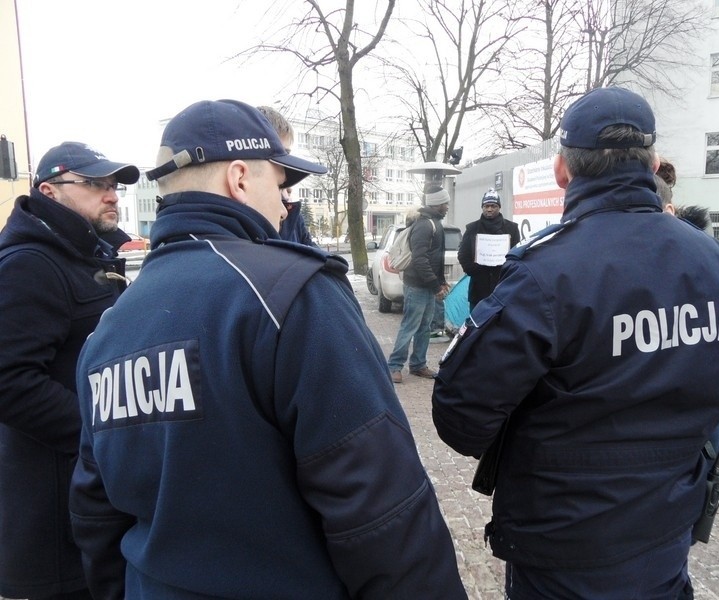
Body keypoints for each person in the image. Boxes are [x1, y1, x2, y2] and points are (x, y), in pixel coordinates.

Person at [68, 99, 466, 600]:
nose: (284, 206)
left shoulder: (110, 328)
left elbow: (95, 511)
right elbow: (379, 506)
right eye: (280, 186)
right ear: (239, 177)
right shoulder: (290, 295)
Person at [432, 87, 719, 599]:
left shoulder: (545, 273)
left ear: (563, 171)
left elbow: (459, 415)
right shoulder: (714, 261)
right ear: (651, 162)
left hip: (566, 545)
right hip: (668, 527)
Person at [0, 141, 139, 600]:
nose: (112, 195)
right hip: (49, 526)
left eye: (114, 185)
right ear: (49, 191)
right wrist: (102, 434)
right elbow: (9, 382)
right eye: (96, 184)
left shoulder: (85, 256)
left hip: (87, 508)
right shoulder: (28, 264)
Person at [386, 185, 451, 383]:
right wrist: (435, 285)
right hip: (416, 285)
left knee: (424, 328)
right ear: (437, 203)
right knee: (410, 326)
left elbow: (434, 258)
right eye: (445, 203)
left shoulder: (434, 223)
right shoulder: (424, 225)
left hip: (426, 285)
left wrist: (441, 281)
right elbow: (420, 260)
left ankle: (418, 365)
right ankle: (394, 366)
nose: (447, 206)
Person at [257, 105, 317, 246]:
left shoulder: (291, 212)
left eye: (286, 155)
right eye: (276, 156)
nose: (285, 165)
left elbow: (318, 256)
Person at [457, 188, 521, 311]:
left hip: (503, 286)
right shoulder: (472, 228)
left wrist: (508, 272)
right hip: (478, 287)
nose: (489, 209)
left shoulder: (512, 228)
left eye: (493, 206)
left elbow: (517, 255)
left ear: (499, 207)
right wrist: (474, 270)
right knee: (477, 324)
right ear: (482, 207)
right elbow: (463, 254)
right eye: (486, 206)